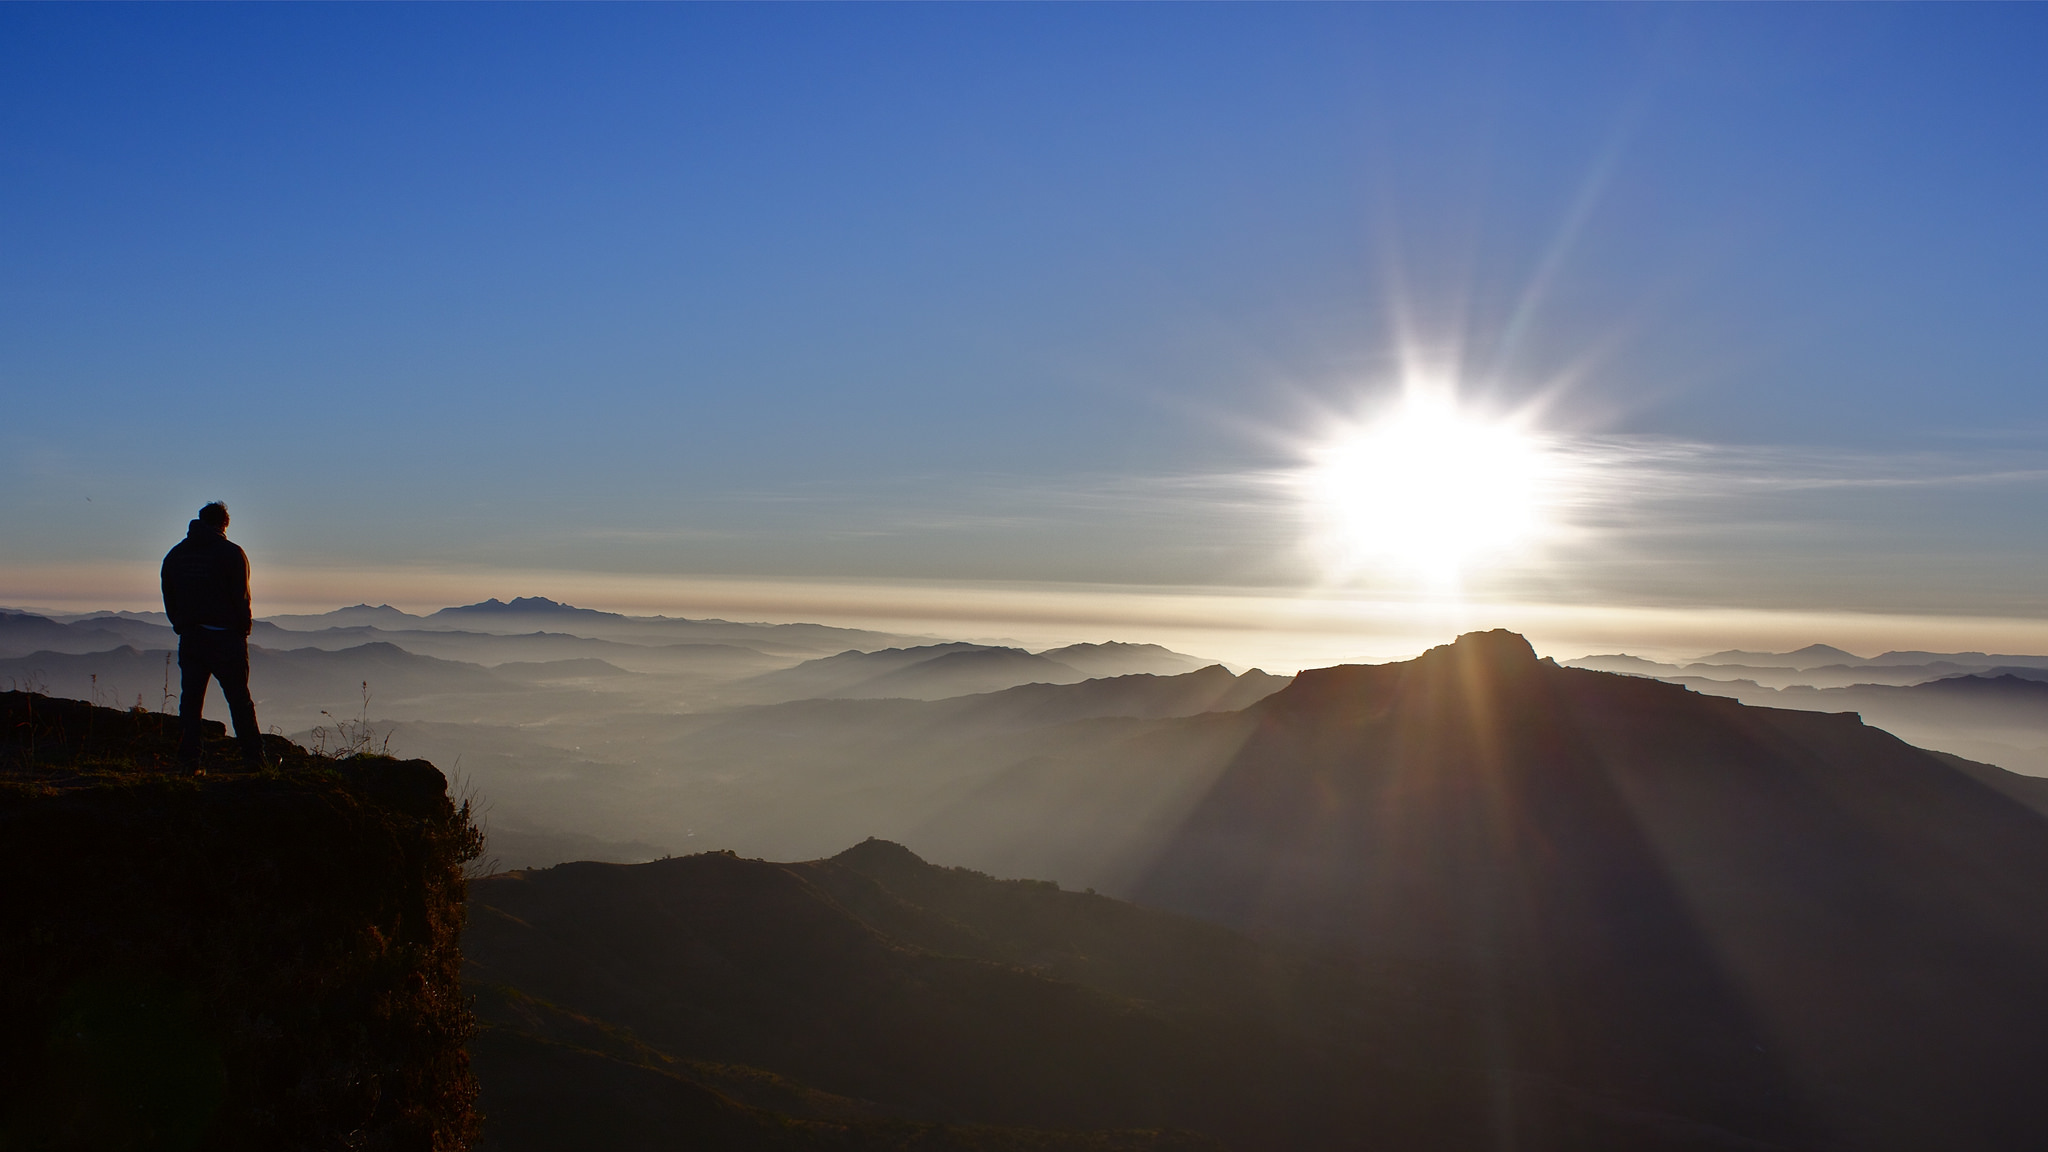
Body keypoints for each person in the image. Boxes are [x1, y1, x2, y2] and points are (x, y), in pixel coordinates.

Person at [161, 501, 265, 772]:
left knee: (191, 702)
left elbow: (169, 597)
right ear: (224, 524)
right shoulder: (231, 553)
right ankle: (254, 761)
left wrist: (181, 625)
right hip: (226, 638)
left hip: (192, 638)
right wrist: (243, 629)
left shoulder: (176, 555)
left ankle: (189, 761)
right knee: (239, 700)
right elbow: (241, 596)